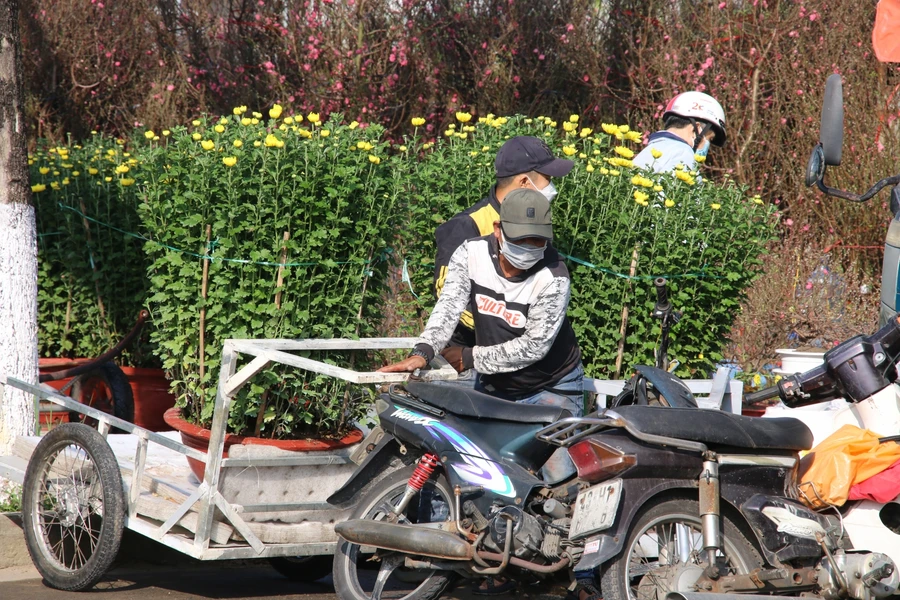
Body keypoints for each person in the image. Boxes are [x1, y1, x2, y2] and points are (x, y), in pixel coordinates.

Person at [380, 188, 584, 478]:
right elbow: (449, 306)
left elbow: (533, 346)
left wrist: (469, 357)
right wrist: (423, 352)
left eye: (537, 240)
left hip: (550, 388)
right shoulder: (472, 253)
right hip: (495, 385)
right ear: (499, 229)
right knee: (480, 473)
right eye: (520, 239)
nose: (528, 247)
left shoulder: (553, 276)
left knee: (558, 484)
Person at [432, 136, 574, 370]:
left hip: (526, 360)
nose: (552, 187)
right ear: (524, 182)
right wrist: (504, 327)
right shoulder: (468, 226)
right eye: (547, 179)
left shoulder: (536, 221)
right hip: (468, 359)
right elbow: (446, 295)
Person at [633, 91, 727, 173]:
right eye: (709, 139)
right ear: (696, 129)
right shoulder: (684, 154)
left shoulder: (649, 150)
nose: (708, 146)